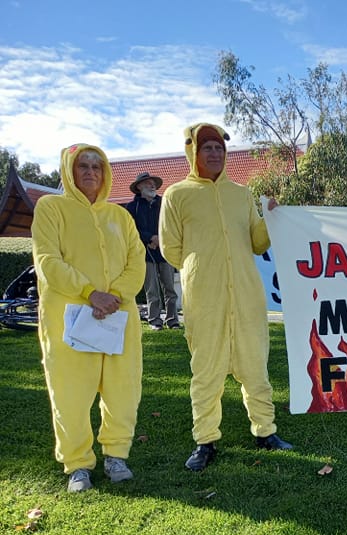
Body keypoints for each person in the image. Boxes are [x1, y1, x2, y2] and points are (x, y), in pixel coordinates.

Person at [159, 123, 292, 471]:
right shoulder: (177, 195)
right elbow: (172, 248)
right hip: (204, 298)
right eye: (208, 148)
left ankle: (265, 431)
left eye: (219, 147)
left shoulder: (242, 194)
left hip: (246, 295)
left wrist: (272, 218)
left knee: (255, 366)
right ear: (193, 151)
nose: (215, 153)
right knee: (205, 372)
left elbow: (257, 242)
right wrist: (201, 268)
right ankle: (205, 441)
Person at [31, 144, 146, 492]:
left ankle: (116, 455)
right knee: (70, 393)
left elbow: (136, 260)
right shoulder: (51, 208)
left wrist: (115, 295)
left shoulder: (120, 217)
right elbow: (47, 260)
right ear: (69, 169)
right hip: (68, 320)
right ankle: (78, 464)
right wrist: (89, 292)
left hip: (118, 317)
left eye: (97, 166)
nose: (91, 172)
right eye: (83, 165)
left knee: (122, 388)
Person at [126, 171, 179, 330]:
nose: (152, 185)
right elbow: (131, 229)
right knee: (152, 288)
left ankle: (173, 320)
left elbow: (172, 224)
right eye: (148, 183)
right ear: (139, 187)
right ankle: (155, 320)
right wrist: (149, 238)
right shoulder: (132, 207)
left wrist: (160, 239)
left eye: (153, 183)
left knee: (170, 288)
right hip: (145, 252)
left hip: (165, 250)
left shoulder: (164, 203)